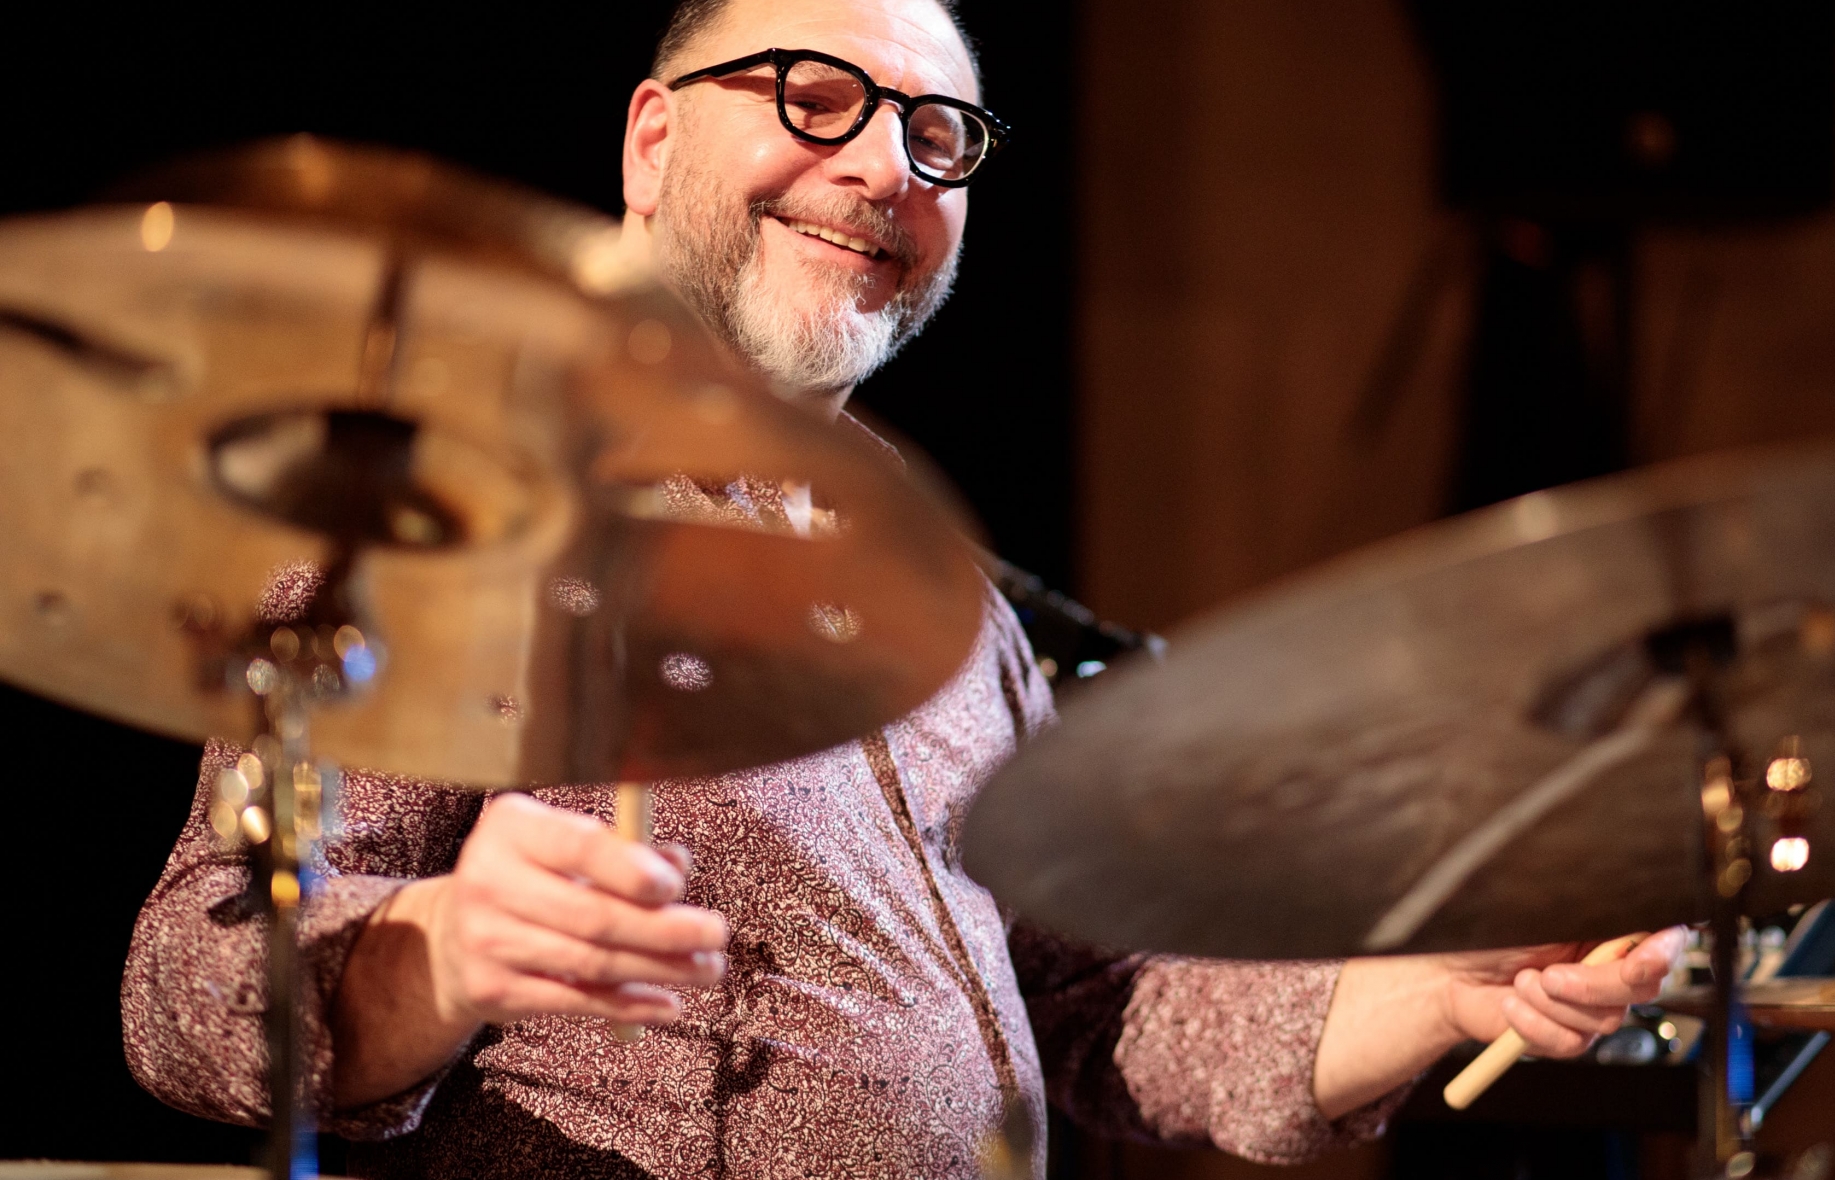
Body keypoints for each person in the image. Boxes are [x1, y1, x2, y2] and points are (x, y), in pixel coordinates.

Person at [121, 0, 1684, 1175]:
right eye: (818, 97)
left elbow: (1089, 1007)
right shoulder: (448, 510)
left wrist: (1434, 989)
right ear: (653, 142)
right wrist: (444, 951)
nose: (884, 168)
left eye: (940, 138)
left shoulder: (934, 580)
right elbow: (187, 981)